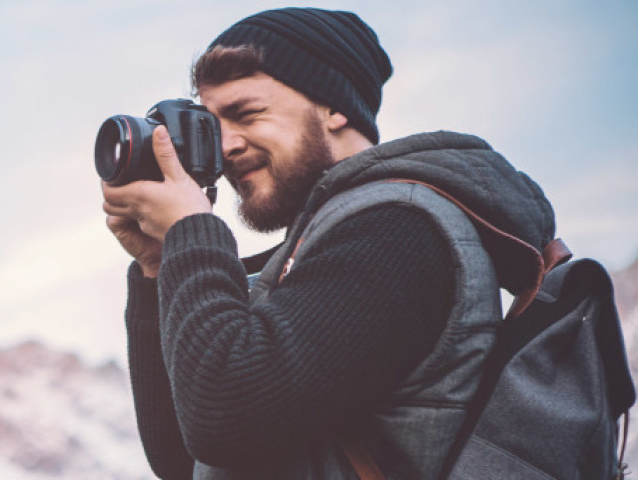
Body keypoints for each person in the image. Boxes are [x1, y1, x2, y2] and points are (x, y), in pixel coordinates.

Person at [101, 7, 557, 480]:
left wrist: (190, 230)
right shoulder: (331, 240)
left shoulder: (398, 227)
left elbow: (227, 419)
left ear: (333, 107)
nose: (227, 146)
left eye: (246, 114)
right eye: (213, 128)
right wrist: (159, 265)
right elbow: (185, 462)